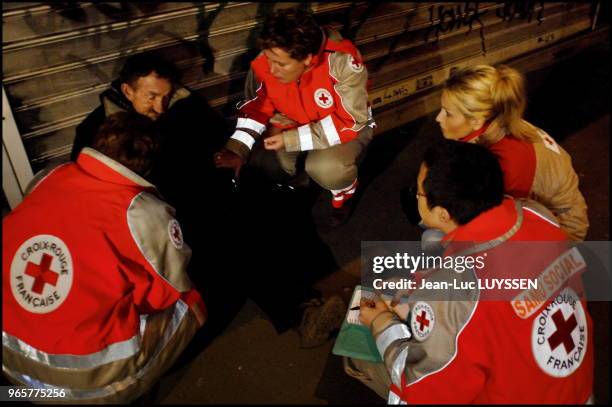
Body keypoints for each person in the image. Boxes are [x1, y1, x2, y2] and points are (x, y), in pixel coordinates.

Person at [344, 140, 594, 403]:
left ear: (442, 214)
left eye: (417, 193)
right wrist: (426, 286)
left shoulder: (457, 292)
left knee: (361, 359)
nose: (415, 196)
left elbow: (426, 387)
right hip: (575, 391)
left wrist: (382, 322)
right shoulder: (538, 215)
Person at [2, 112, 206, 403]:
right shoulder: (143, 213)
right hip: (81, 383)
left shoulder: (49, 176)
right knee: (190, 304)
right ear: (147, 166)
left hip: (10, 363)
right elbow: (163, 295)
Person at [71, 51, 247, 340]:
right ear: (128, 90)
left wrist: (232, 153)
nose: (161, 107)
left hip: (198, 201)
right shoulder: (95, 129)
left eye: (166, 96)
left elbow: (218, 135)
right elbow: (87, 189)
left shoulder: (184, 105)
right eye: (151, 97)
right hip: (139, 224)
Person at [214, 7, 375, 224]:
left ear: (308, 58)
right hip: (294, 123)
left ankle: (343, 195)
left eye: (281, 64)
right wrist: (237, 150)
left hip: (345, 126)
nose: (271, 69)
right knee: (266, 164)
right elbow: (256, 109)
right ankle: (297, 184)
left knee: (326, 168)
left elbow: (351, 121)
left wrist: (292, 139)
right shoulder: (269, 57)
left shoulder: (342, 62)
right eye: (269, 59)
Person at [435, 64, 589, 240]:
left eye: (447, 113)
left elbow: (491, 224)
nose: (438, 118)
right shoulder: (500, 121)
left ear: (477, 121)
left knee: (436, 237)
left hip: (562, 236)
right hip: (541, 212)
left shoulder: (505, 165)